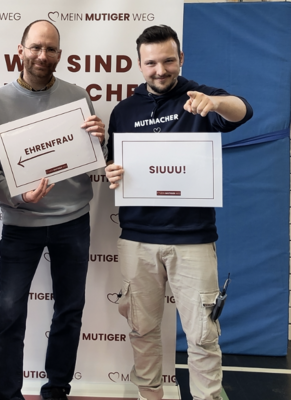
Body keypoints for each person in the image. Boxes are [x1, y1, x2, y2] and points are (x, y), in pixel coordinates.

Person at [105, 25, 253, 400]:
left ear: (181, 58)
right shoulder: (124, 111)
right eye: (151, 63)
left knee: (203, 335)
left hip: (193, 239)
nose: (160, 70)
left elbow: (243, 111)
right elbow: (113, 163)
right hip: (137, 239)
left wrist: (215, 103)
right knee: (141, 330)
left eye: (168, 61)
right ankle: (149, 395)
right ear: (139, 64)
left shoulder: (200, 98)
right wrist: (112, 172)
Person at [0, 20, 106, 400]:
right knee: (9, 313)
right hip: (20, 224)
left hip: (73, 221)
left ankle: (57, 391)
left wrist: (101, 140)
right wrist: (18, 196)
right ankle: (7, 395)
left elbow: (96, 159)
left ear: (59, 55)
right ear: (20, 51)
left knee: (69, 309)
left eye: (50, 49)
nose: (42, 55)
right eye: (35, 47)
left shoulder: (78, 97)